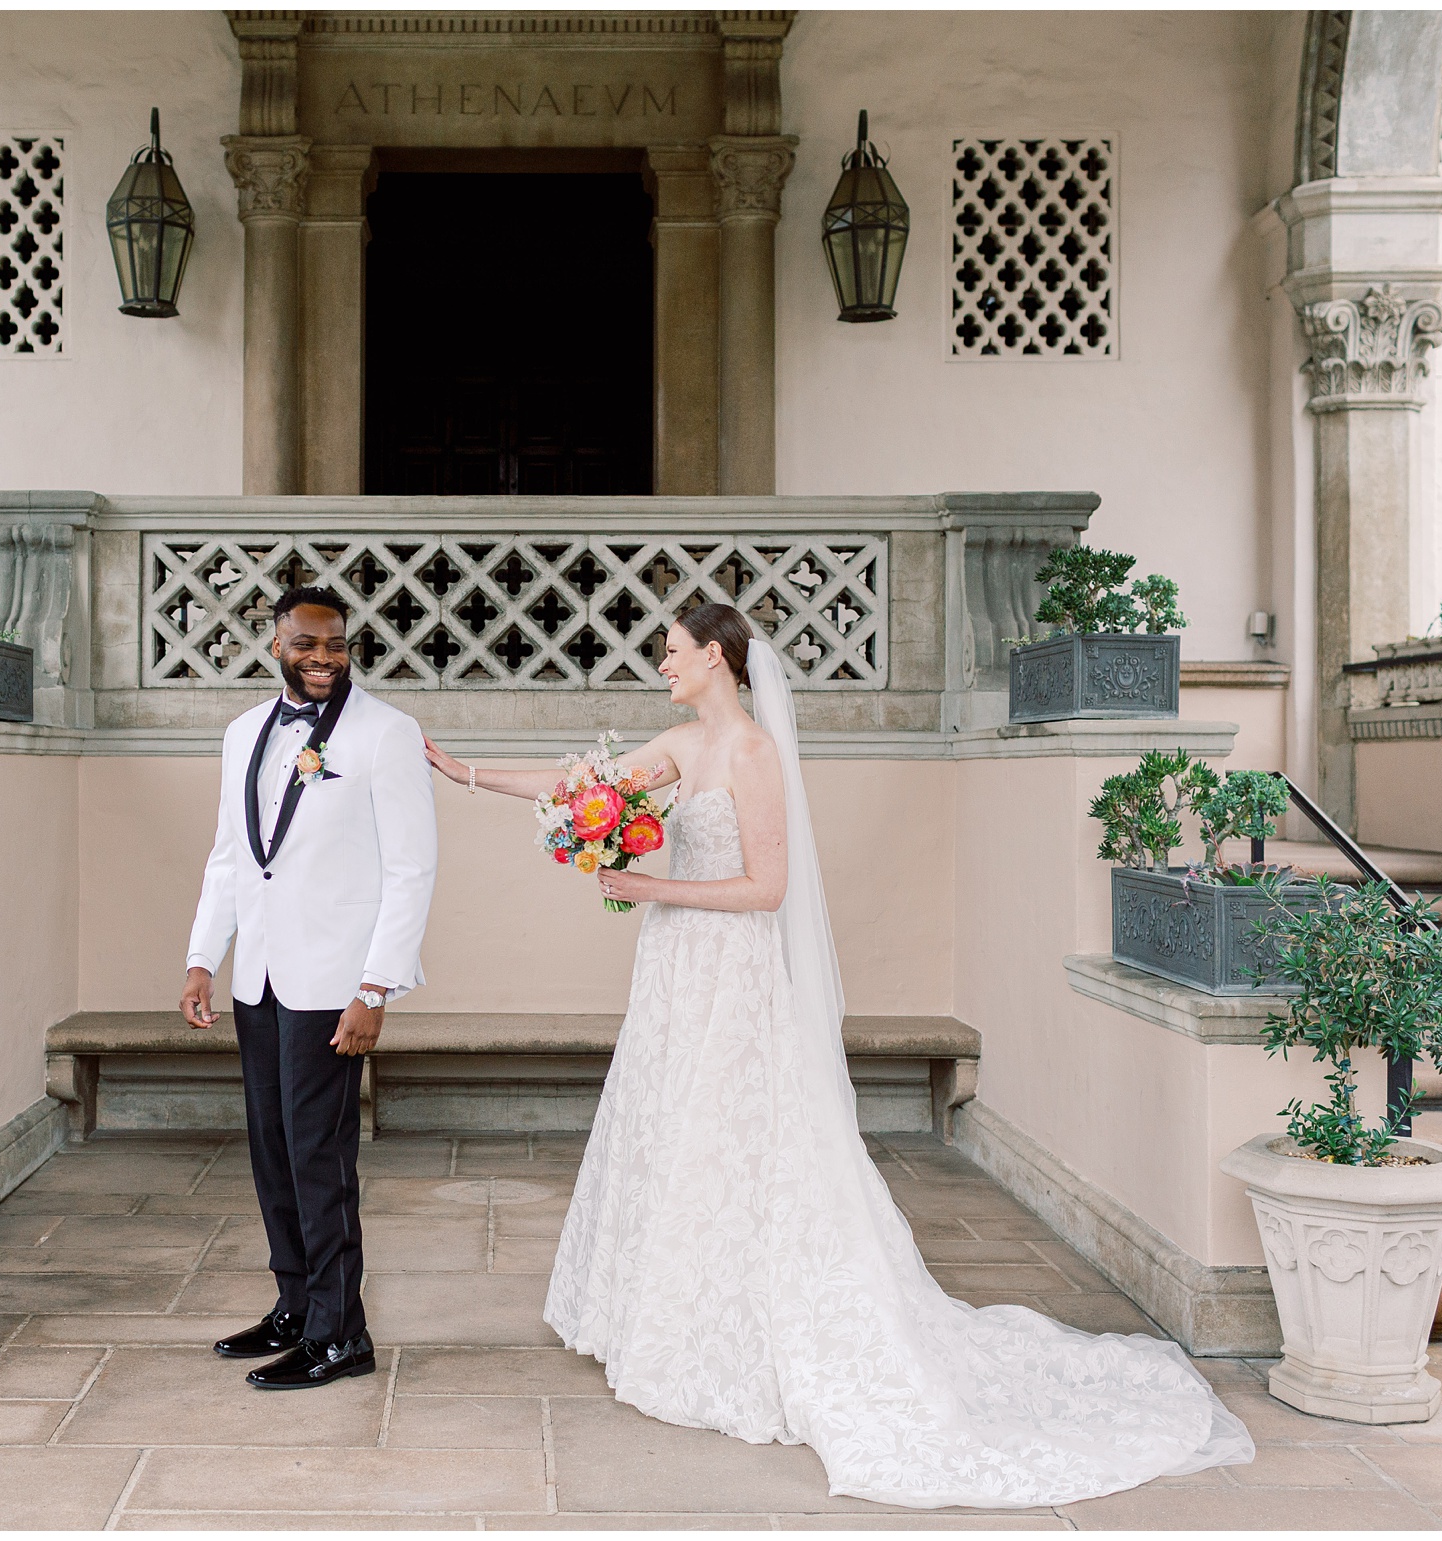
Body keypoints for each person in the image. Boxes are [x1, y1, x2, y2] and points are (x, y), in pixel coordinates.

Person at [423, 601, 1254, 1507]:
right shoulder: (681, 744)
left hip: (729, 972)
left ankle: (747, 1327)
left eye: (673, 651)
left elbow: (766, 888)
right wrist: (465, 772)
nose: (662, 664)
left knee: (735, 1142)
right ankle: (669, 1314)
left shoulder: (753, 755)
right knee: (671, 1130)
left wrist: (653, 886)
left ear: (717, 657)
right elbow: (577, 785)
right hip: (673, 971)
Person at [182, 586, 437, 1391]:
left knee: (319, 1157)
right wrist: (204, 956)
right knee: (272, 1149)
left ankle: (340, 1332)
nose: (323, 657)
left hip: (335, 982)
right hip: (259, 976)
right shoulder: (242, 733)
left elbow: (411, 869)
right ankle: (295, 1306)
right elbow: (232, 855)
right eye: (306, 643)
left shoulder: (386, 733)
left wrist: (376, 987)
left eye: (336, 643)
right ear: (277, 646)